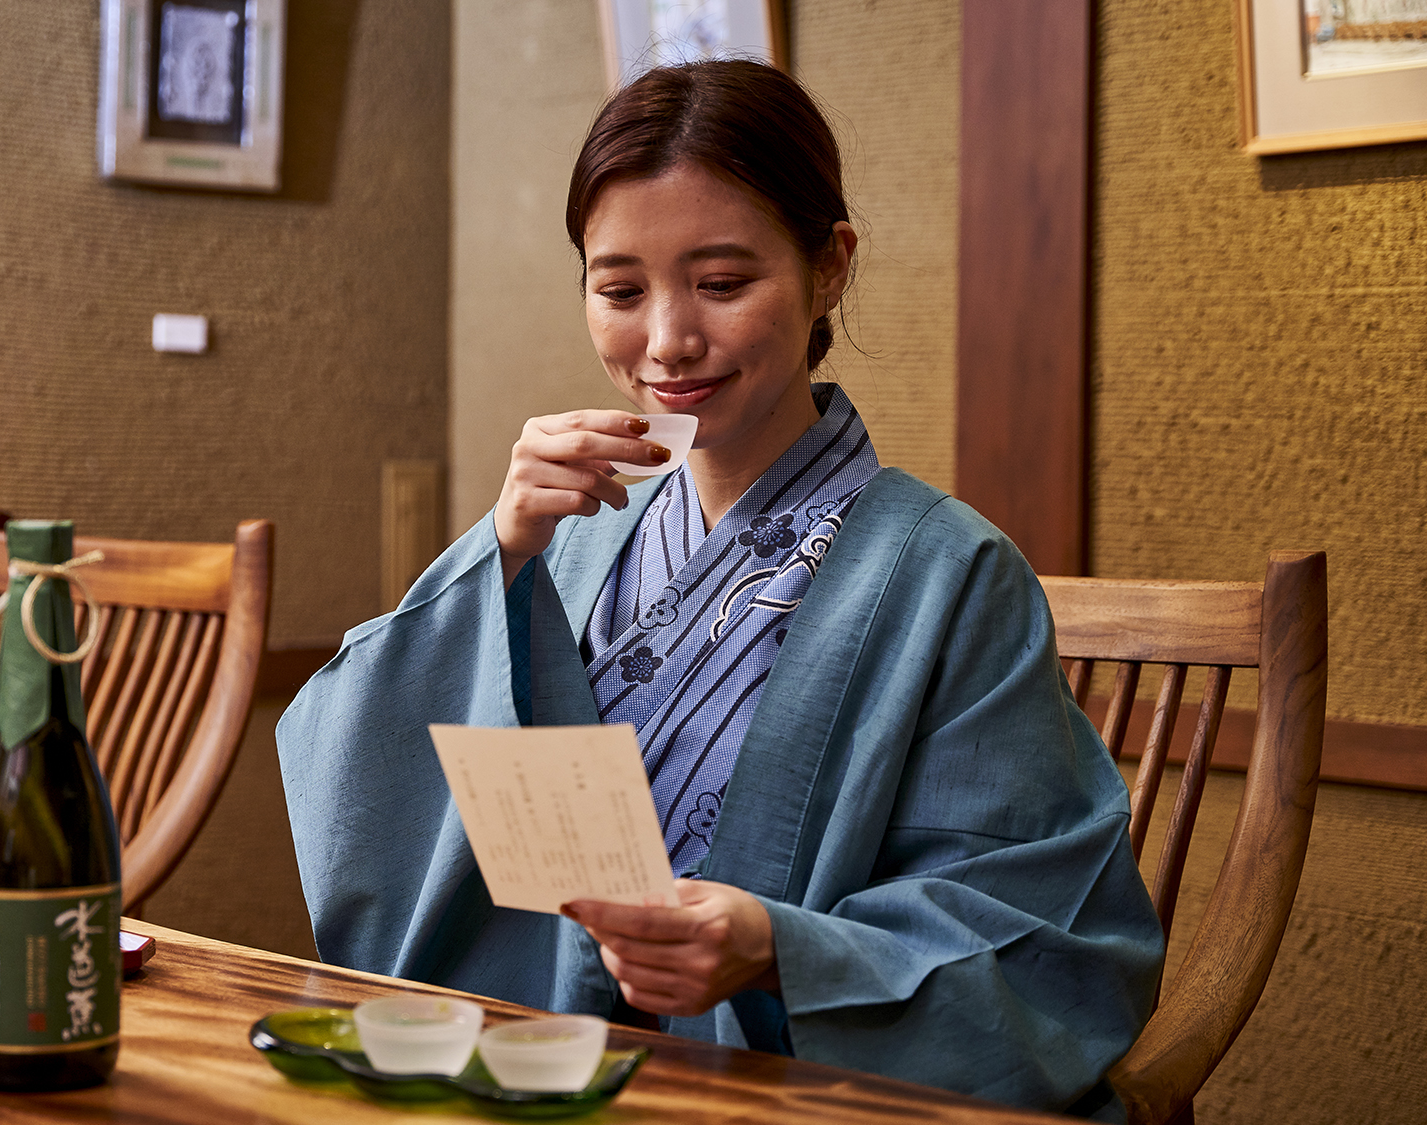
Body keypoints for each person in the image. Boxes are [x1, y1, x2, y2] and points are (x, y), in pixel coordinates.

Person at [277, 59, 1163, 1120]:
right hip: (559, 1070)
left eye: (722, 282)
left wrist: (778, 950)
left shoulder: (950, 576)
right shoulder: (562, 540)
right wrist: (498, 553)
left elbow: (1038, 935)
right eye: (618, 290)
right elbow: (357, 774)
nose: (665, 343)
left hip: (786, 1091)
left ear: (827, 266)